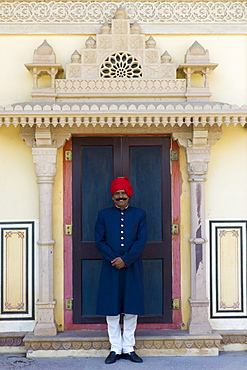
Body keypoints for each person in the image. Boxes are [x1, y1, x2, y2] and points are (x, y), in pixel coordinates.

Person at [95, 176, 148, 364]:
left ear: (129, 195)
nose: (120, 196)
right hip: (111, 268)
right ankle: (115, 349)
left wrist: (125, 260)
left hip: (132, 266)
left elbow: (141, 241)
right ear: (112, 196)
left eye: (123, 193)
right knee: (112, 309)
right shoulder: (103, 215)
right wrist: (114, 259)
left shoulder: (140, 214)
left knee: (131, 308)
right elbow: (99, 241)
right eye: (117, 193)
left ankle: (129, 348)